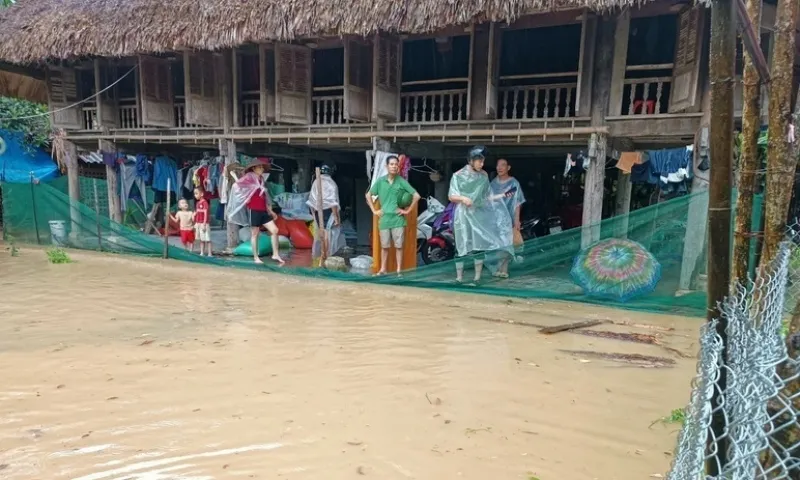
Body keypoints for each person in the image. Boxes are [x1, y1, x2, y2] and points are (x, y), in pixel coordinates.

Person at [448, 146, 514, 284]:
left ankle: (477, 277)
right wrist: (462, 199)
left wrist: (501, 196)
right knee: (461, 245)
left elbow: (487, 197)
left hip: (478, 213)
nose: (482, 164)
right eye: (479, 161)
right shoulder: (458, 175)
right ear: (471, 161)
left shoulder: (483, 175)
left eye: (483, 161)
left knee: (479, 245)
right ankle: (459, 277)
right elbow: (451, 195)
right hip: (462, 215)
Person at [366, 154, 421, 275]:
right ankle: (383, 269)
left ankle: (399, 270)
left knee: (399, 246)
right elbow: (368, 195)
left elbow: (417, 196)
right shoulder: (380, 181)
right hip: (384, 219)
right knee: (384, 246)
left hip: (398, 219)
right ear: (386, 166)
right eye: (391, 164)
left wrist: (407, 211)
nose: (394, 166)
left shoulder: (401, 181)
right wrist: (374, 211)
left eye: (396, 164)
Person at [490, 158, 525, 278]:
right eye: (498, 165)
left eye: (502, 165)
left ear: (508, 168)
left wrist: (517, 219)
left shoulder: (514, 183)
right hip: (495, 220)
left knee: (507, 245)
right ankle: (498, 268)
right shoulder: (493, 184)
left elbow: (517, 202)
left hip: (508, 220)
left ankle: (504, 269)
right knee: (497, 245)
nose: (499, 167)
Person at [307, 163, 341, 259]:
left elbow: (311, 200)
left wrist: (314, 213)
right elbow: (333, 202)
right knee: (326, 233)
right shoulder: (331, 183)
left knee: (321, 232)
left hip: (318, 211)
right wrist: (336, 216)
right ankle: (324, 254)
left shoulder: (316, 182)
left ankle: (322, 254)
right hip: (327, 211)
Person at [193, 187, 212, 257]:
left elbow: (205, 213)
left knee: (208, 239)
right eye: (194, 194)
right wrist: (195, 221)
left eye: (196, 193)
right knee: (201, 239)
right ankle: (202, 252)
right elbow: (197, 213)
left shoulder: (204, 203)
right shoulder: (197, 203)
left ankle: (210, 253)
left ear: (201, 194)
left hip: (204, 223)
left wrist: (204, 224)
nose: (195, 195)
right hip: (198, 223)